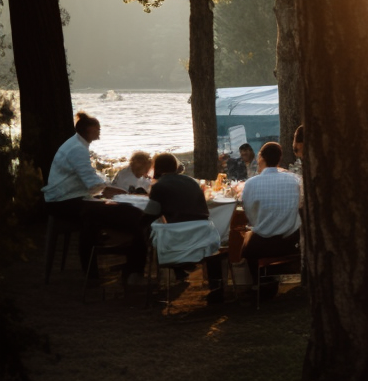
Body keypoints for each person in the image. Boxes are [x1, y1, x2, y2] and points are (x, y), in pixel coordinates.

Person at [42, 113, 145, 283]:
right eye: (98, 128)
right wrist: (110, 188)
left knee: (99, 216)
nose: (100, 131)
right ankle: (132, 266)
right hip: (63, 201)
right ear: (89, 130)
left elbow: (90, 178)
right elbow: (91, 183)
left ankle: (98, 271)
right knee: (129, 213)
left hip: (69, 197)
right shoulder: (77, 149)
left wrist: (106, 187)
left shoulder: (76, 144)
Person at [148, 152, 225, 303]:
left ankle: (151, 278)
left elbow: (151, 213)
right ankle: (217, 290)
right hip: (202, 241)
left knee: (153, 230)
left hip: (175, 245)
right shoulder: (192, 182)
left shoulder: (159, 186)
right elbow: (203, 210)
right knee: (212, 251)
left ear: (156, 168)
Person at [240, 141, 302, 300]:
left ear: (260, 157)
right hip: (291, 241)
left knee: (247, 241)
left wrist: (260, 225)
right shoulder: (295, 180)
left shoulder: (251, 183)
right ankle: (268, 282)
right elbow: (301, 204)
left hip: (262, 245)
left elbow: (251, 215)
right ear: (279, 159)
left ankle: (258, 284)